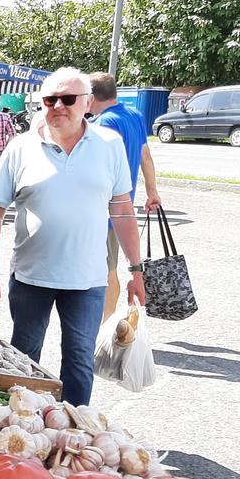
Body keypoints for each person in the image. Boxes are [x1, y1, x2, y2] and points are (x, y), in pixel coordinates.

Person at [0, 67, 146, 406]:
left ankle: (75, 434)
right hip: (31, 278)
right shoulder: (20, 148)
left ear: (87, 103)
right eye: (49, 100)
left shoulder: (109, 145)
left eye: (67, 99)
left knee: (79, 362)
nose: (57, 106)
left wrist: (136, 270)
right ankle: (21, 430)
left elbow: (122, 208)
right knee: (24, 359)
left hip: (88, 280)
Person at [89, 72, 164, 321]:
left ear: (90, 96)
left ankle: (103, 327)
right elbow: (146, 156)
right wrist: (152, 192)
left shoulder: (103, 124)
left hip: (105, 207)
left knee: (106, 270)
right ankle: (105, 322)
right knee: (109, 268)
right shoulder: (133, 115)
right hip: (124, 204)